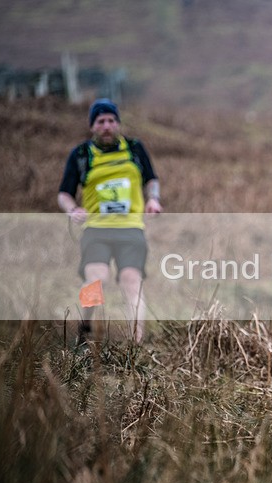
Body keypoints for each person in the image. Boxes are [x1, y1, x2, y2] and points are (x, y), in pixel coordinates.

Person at [58, 98, 163, 343]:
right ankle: (85, 330)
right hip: (96, 229)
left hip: (131, 229)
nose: (107, 126)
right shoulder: (82, 155)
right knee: (97, 277)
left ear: (118, 123)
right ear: (92, 125)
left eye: (112, 120)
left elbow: (151, 179)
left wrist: (153, 199)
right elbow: (64, 193)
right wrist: (72, 209)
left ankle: (135, 344)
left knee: (131, 281)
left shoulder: (135, 149)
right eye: (101, 121)